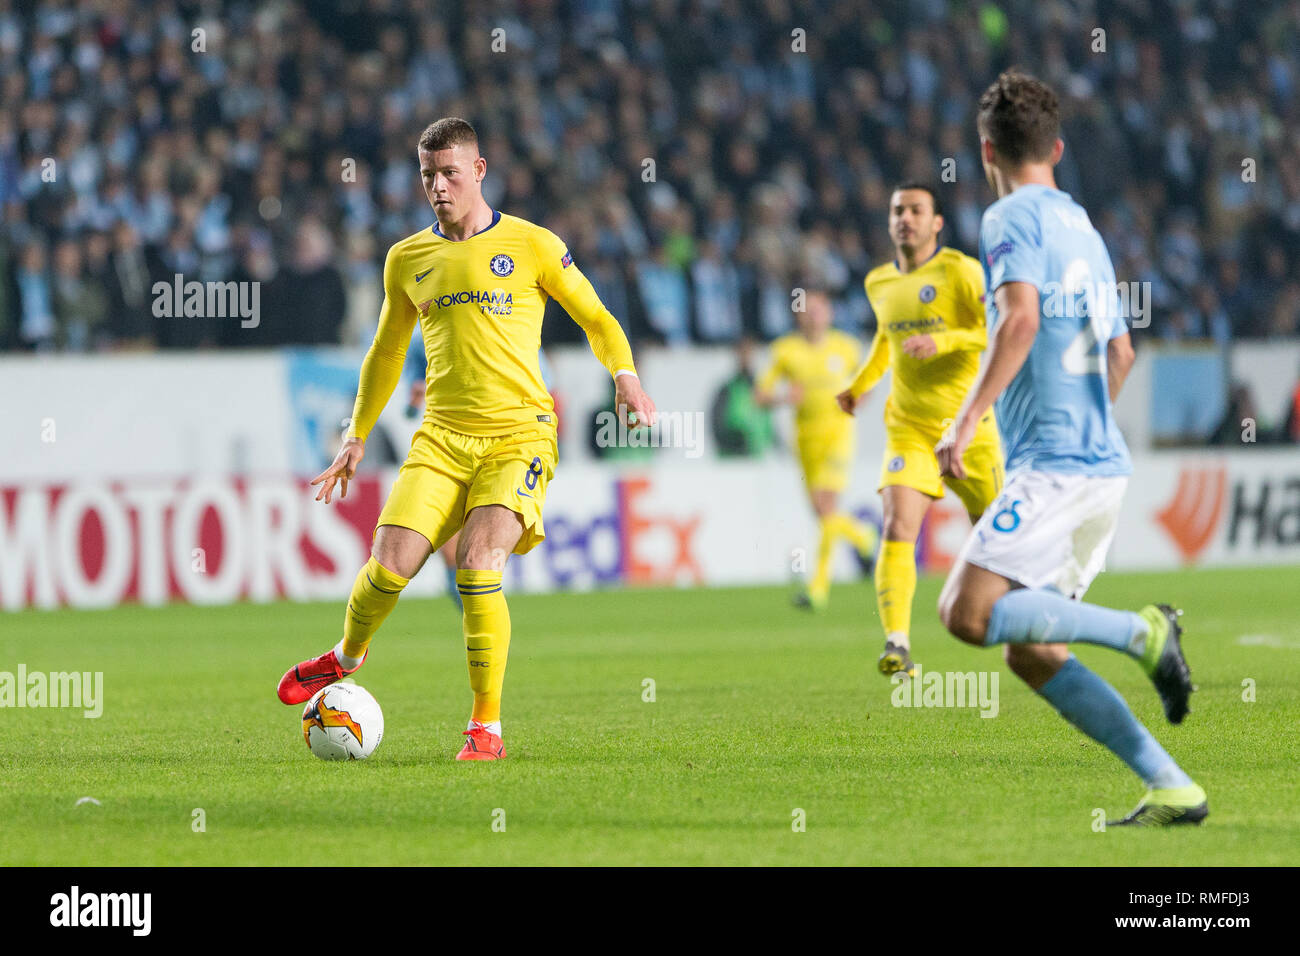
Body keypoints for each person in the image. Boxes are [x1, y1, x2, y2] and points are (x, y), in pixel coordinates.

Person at [277, 117, 657, 761]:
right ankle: (346, 655)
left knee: (478, 564)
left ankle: (486, 728)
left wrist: (625, 376)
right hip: (441, 437)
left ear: (480, 170)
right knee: (388, 564)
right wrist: (356, 435)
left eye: (450, 172)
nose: (438, 186)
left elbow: (597, 317)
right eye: (428, 175)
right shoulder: (408, 258)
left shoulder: (533, 245)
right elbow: (385, 352)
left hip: (520, 435)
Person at [934, 71, 1203, 826]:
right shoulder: (1083, 227)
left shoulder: (1006, 219)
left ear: (986, 149)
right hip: (1100, 467)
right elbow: (1121, 354)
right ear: (1056, 146)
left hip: (1055, 467)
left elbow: (1018, 321)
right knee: (1033, 649)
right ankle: (1172, 785)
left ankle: (1142, 632)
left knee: (966, 612)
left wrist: (967, 420)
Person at [837, 182, 1004, 678]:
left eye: (915, 210)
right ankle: (898, 643)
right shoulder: (878, 283)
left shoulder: (960, 270)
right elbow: (887, 341)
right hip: (909, 429)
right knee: (897, 526)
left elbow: (997, 328)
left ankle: (1044, 622)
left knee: (998, 541)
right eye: (897, 211)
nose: (904, 218)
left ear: (936, 223)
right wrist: (859, 385)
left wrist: (945, 340)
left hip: (971, 427)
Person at [757, 288, 878, 610]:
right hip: (805, 441)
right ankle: (864, 538)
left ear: (829, 313)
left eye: (819, 309)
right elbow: (761, 395)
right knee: (822, 514)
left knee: (825, 508)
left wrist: (856, 400)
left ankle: (818, 589)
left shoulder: (846, 347)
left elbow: (867, 384)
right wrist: (784, 398)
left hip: (838, 437)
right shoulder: (786, 351)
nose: (813, 315)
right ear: (798, 315)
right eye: (807, 310)